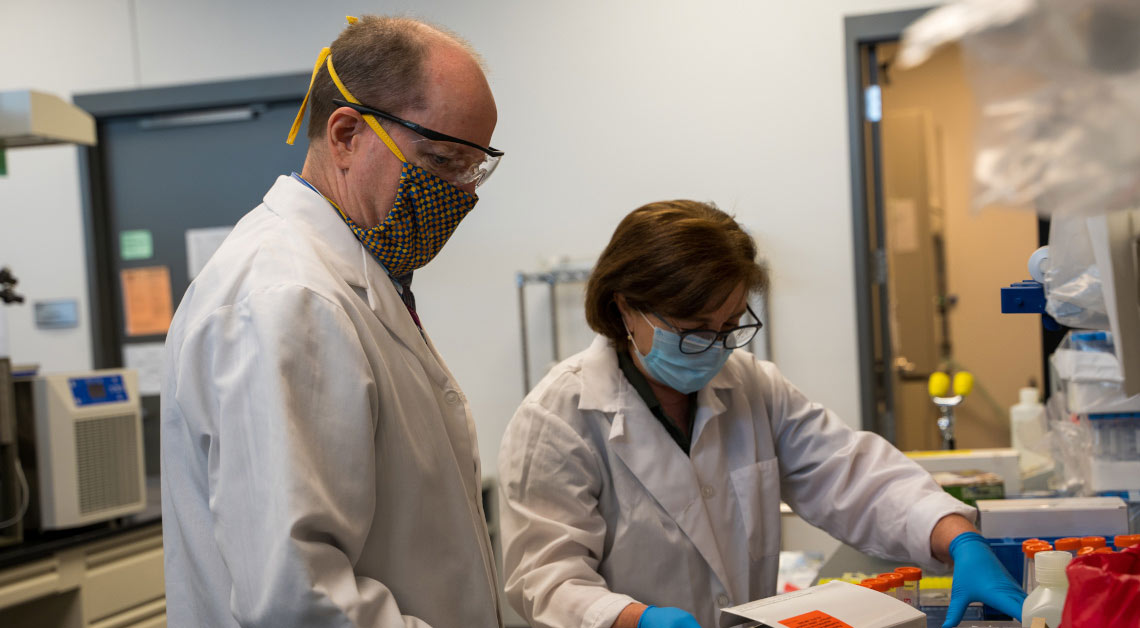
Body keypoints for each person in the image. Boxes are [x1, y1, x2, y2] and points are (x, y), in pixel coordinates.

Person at [497, 200, 1025, 628]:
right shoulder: (558, 418)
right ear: (624, 308)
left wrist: (958, 536)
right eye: (692, 329)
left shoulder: (751, 385)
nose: (714, 345)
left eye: (729, 325)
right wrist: (633, 619)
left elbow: (854, 475)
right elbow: (544, 577)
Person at [161, 15, 504, 627]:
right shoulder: (287, 297)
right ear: (346, 134)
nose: (460, 192)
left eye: (473, 169)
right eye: (443, 160)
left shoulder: (354, 279)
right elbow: (299, 601)